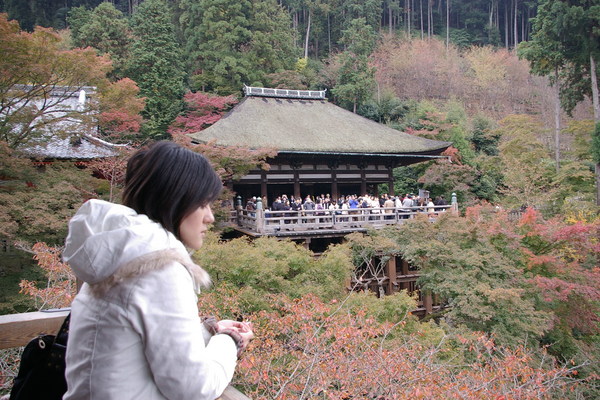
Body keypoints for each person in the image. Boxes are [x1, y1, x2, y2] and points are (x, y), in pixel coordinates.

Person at [62, 141, 254, 400]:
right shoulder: (160, 271)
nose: (210, 217)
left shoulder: (121, 257)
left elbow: (133, 343)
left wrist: (210, 330)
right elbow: (194, 388)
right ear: (176, 200)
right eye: (203, 204)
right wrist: (230, 341)